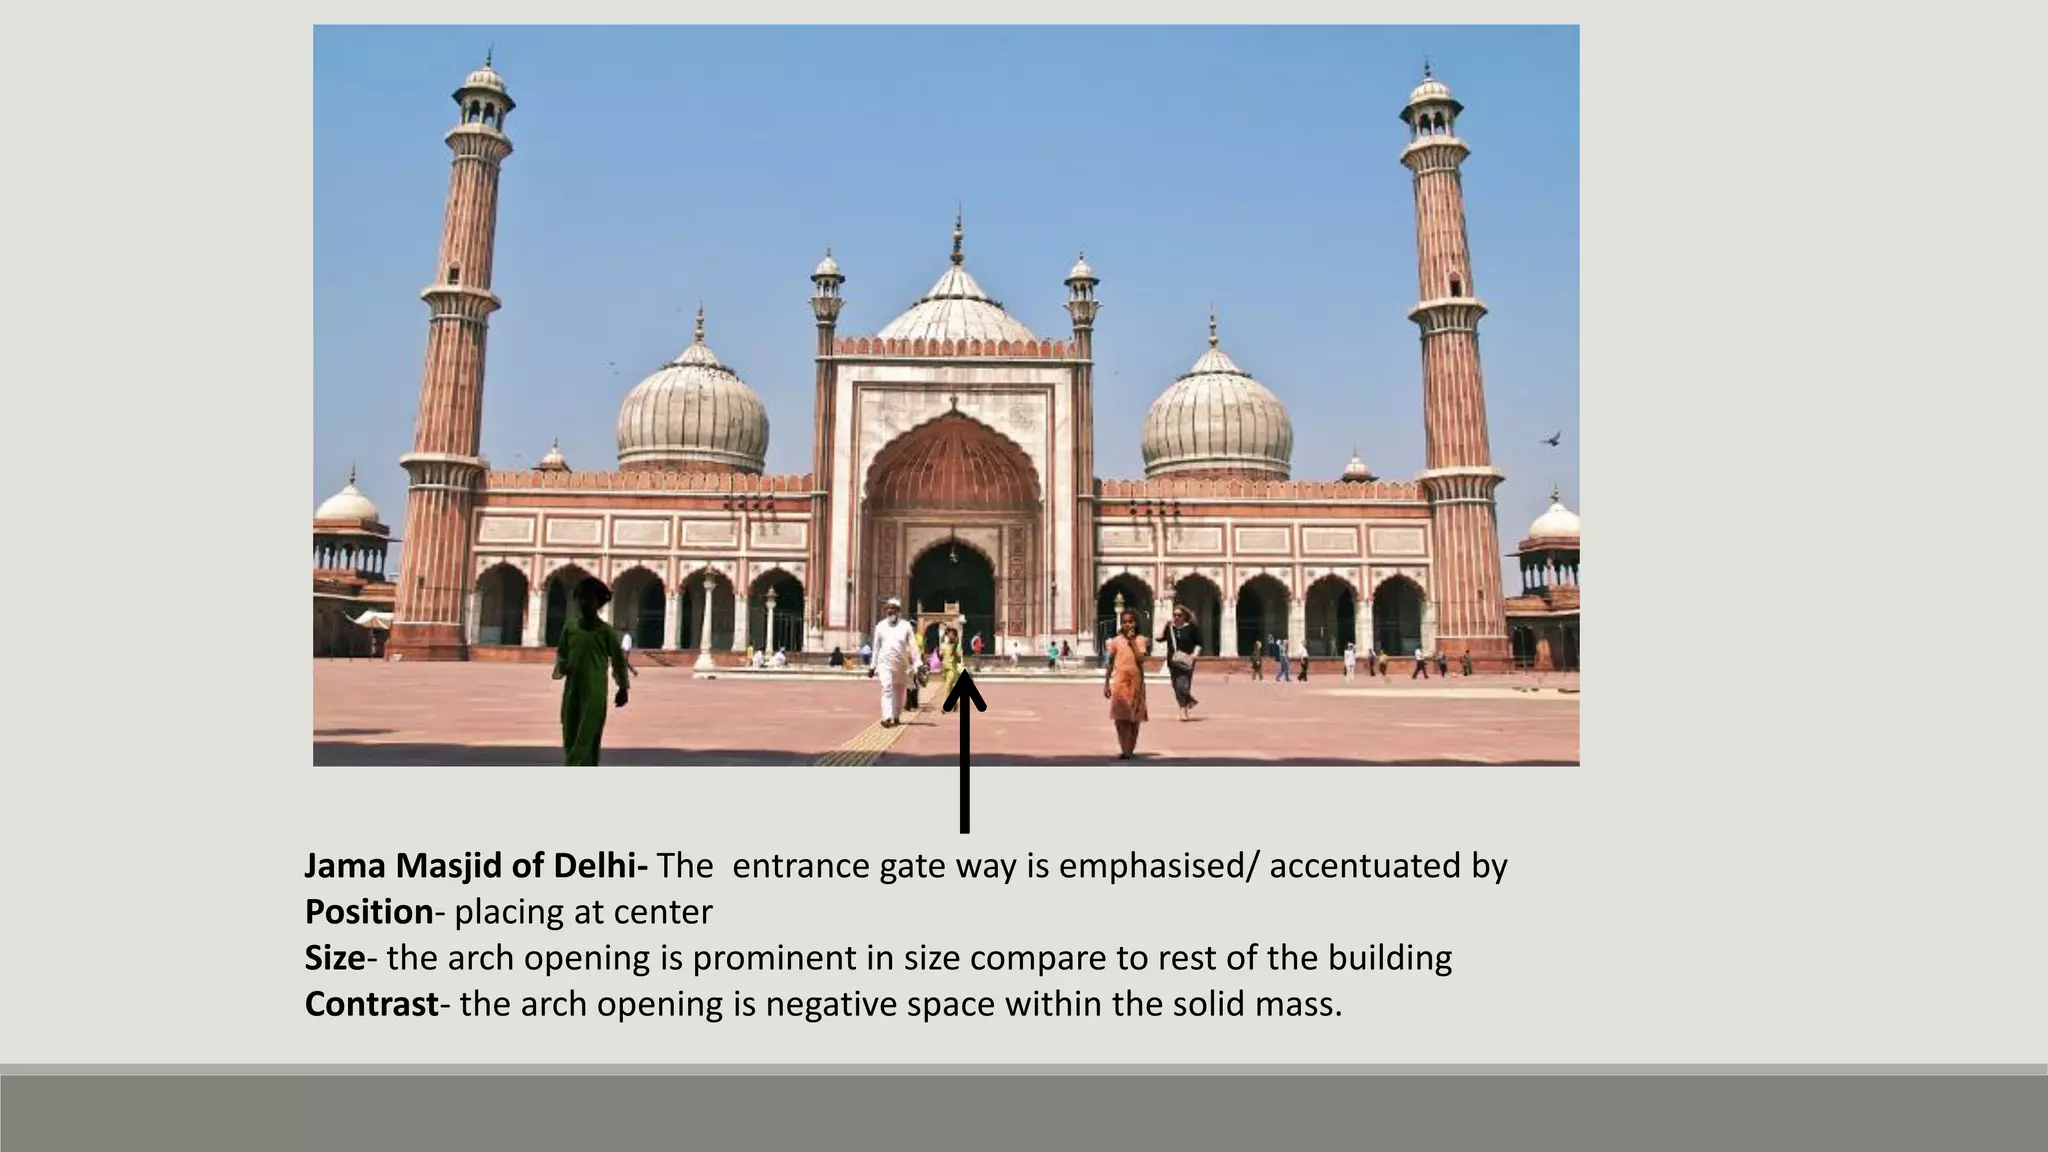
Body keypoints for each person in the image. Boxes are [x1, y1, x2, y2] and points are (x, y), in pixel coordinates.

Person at [552, 577, 631, 767]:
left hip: (595, 691)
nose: (584, 603)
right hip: (573, 690)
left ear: (598, 603)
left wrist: (623, 688)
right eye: (581, 598)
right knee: (570, 733)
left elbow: (618, 661)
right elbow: (562, 654)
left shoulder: (605, 631)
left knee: (587, 735)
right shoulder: (570, 628)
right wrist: (563, 666)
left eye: (589, 599)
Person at [1102, 609, 1150, 759]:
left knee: (1134, 718)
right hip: (1120, 682)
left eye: (1130, 621)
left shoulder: (1141, 640)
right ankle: (1125, 748)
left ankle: (1130, 748)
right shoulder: (1115, 641)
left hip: (1136, 683)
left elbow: (1141, 660)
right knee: (1120, 717)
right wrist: (1106, 683)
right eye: (1124, 622)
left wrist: (1132, 642)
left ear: (1136, 623)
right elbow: (1110, 663)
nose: (1127, 624)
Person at [868, 598, 918, 727]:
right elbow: (876, 647)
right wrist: (872, 665)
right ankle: (887, 717)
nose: (890, 611)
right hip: (885, 662)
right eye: (888, 608)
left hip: (901, 663)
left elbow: (913, 645)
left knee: (899, 691)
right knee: (887, 688)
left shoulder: (905, 626)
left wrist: (918, 664)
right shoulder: (880, 626)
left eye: (893, 608)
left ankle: (896, 715)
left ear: (898, 611)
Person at [1158, 604, 1202, 720]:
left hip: (1187, 660)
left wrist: (1195, 654)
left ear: (1185, 616)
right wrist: (1165, 625)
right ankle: (1186, 706)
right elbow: (1159, 638)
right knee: (1176, 686)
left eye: (1179, 615)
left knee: (1184, 685)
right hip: (1173, 661)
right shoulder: (1170, 628)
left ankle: (1183, 710)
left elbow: (1199, 643)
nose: (1176, 617)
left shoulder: (1191, 627)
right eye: (1175, 615)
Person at [941, 626, 963, 698]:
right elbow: (941, 658)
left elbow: (959, 660)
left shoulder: (957, 647)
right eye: (949, 634)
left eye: (952, 635)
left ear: (955, 637)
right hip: (944, 669)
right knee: (950, 688)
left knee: (947, 687)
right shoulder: (944, 645)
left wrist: (955, 653)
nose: (950, 636)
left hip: (952, 670)